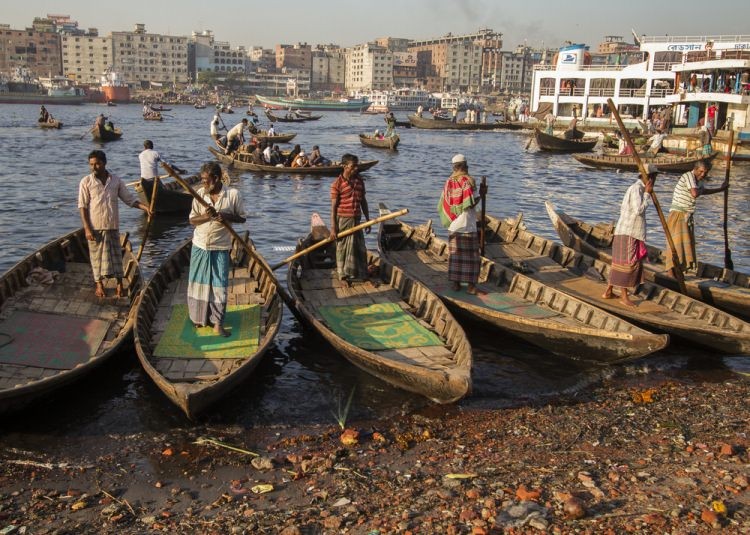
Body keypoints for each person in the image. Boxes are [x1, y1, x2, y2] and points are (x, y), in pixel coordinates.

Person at [78, 150, 152, 299]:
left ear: (104, 163)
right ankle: (99, 284)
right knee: (96, 258)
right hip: (95, 227)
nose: (94, 167)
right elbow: (82, 206)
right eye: (91, 164)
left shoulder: (115, 181)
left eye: (97, 163)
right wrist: (87, 228)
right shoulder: (86, 182)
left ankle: (119, 284)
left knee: (116, 257)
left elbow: (129, 199)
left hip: (112, 225)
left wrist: (146, 208)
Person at [187, 162, 246, 337]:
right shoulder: (199, 195)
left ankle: (217, 323)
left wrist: (225, 216)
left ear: (217, 179)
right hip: (200, 245)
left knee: (219, 285)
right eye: (202, 180)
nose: (203, 183)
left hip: (220, 246)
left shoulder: (233, 195)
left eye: (206, 180)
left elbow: (242, 218)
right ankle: (200, 318)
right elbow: (192, 220)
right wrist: (206, 216)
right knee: (199, 283)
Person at [601, 165, 656, 307]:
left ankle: (608, 291)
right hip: (628, 232)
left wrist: (647, 193)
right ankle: (624, 297)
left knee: (619, 263)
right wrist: (648, 194)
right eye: (655, 177)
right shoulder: (637, 189)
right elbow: (638, 210)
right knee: (627, 264)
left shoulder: (639, 189)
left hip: (626, 231)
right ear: (650, 178)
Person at [664, 161, 728, 278]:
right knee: (675, 244)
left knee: (684, 244)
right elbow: (694, 193)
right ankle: (670, 271)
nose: (703, 174)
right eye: (701, 171)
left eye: (705, 172)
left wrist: (720, 189)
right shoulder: (688, 176)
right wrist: (701, 191)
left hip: (686, 215)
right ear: (695, 169)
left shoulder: (698, 181)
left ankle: (678, 270)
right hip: (678, 214)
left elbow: (703, 191)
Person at [437, 154, 487, 295]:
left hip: (453, 224)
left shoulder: (448, 182)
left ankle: (456, 284)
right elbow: (471, 202)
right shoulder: (468, 181)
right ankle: (471, 287)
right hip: (468, 224)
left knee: (455, 256)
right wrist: (482, 195)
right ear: (465, 166)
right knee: (471, 257)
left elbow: (444, 204)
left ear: (454, 167)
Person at [330, 154, 369, 282]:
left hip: (356, 220)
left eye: (356, 166)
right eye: (353, 166)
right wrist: (333, 228)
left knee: (358, 247)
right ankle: (342, 273)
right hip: (343, 220)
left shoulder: (359, 181)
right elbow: (334, 208)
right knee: (342, 247)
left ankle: (358, 273)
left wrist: (368, 220)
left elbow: (363, 201)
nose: (355, 169)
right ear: (345, 166)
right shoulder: (337, 184)